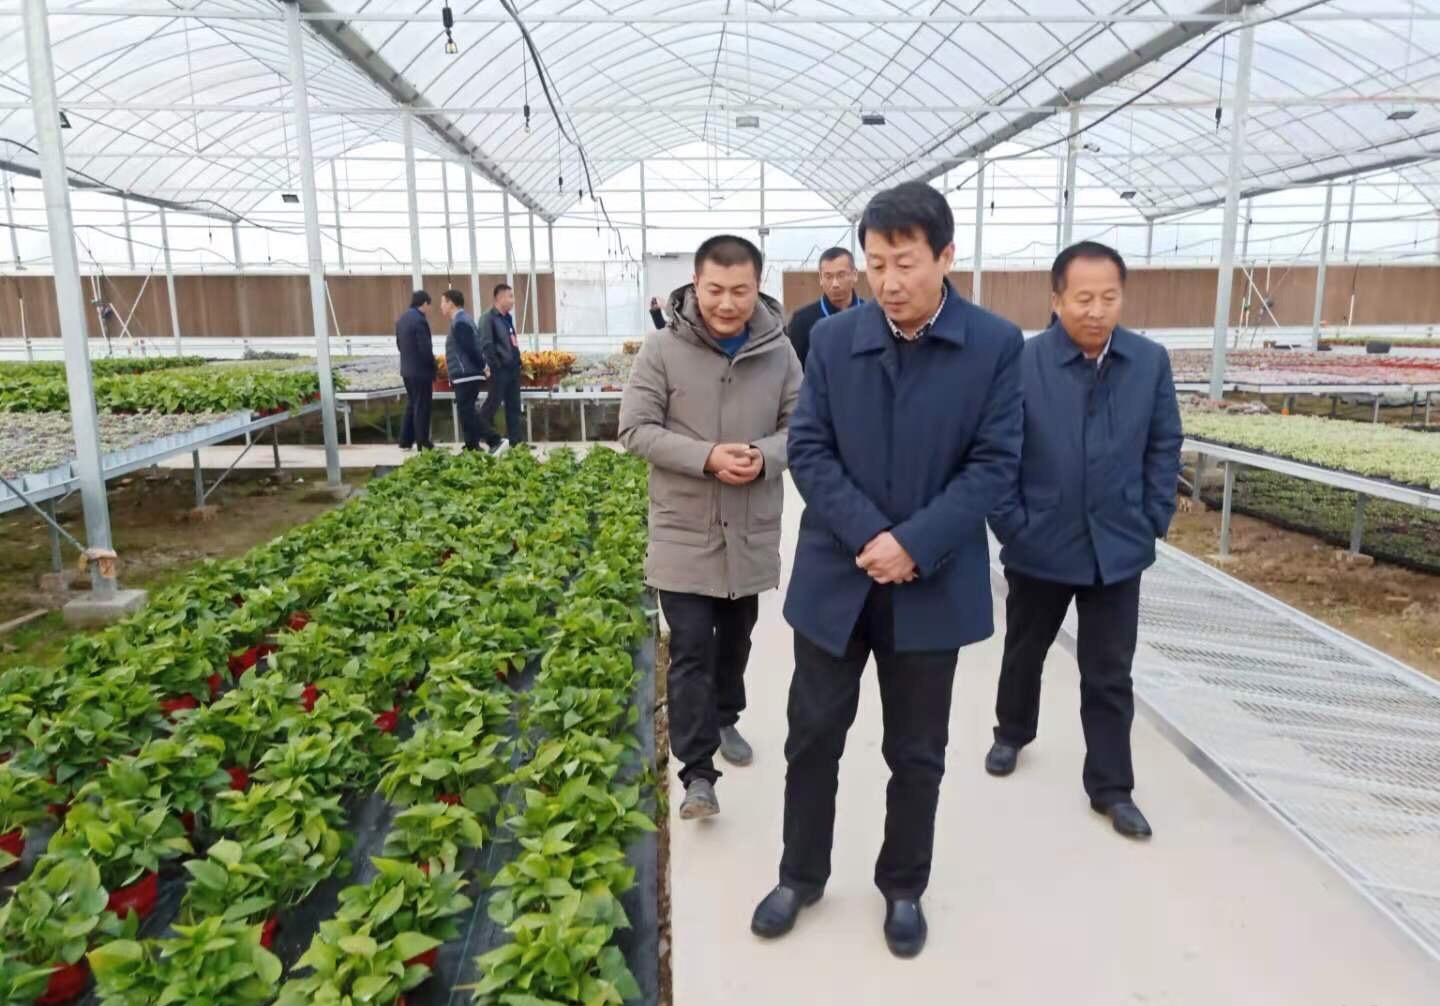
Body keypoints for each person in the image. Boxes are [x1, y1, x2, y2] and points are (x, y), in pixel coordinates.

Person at [751, 181, 1023, 959]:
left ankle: (904, 885)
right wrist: (871, 533)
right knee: (812, 736)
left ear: (946, 256)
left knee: (916, 750)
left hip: (931, 584)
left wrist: (915, 543)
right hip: (838, 579)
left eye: (905, 263)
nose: (889, 281)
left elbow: (994, 463)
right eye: (876, 264)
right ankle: (800, 875)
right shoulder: (836, 341)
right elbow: (810, 449)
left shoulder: (995, 345)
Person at [984, 241, 1183, 840]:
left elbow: (1164, 443)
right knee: (1026, 649)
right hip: (1040, 543)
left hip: (1117, 547)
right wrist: (1013, 524)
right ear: (1057, 299)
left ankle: (1111, 788)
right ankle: (1012, 732)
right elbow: (998, 450)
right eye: (1083, 298)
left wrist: (1152, 516)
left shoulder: (1148, 362)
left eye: (1109, 297)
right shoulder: (1023, 363)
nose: (1096, 310)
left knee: (1110, 671)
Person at [619, 235, 803, 822]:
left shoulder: (780, 353)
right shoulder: (662, 349)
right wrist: (707, 457)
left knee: (737, 637)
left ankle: (726, 716)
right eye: (715, 289)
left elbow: (803, 428)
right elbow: (635, 429)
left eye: (739, 291)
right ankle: (698, 774)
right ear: (695, 285)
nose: (727, 303)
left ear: (758, 287)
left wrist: (763, 455)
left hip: (748, 527)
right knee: (692, 647)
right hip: (684, 530)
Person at [786, 246, 865, 368]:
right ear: (821, 279)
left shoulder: (872, 316)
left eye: (841, 275)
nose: (835, 284)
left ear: (854, 275)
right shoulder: (802, 321)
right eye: (828, 276)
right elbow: (795, 370)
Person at [438, 290, 488, 451]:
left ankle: (492, 438)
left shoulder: (460, 322)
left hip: (466, 374)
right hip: (466, 373)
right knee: (466, 412)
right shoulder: (463, 320)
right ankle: (472, 446)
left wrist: (483, 366)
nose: (441, 306)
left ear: (451, 303)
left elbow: (470, 348)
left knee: (468, 411)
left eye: (443, 302)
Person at [477, 284, 524, 454]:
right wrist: (495, 366)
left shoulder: (507, 318)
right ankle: (482, 439)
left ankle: (516, 443)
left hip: (513, 369)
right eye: (510, 296)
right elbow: (487, 344)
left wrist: (518, 360)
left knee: (514, 406)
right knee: (491, 405)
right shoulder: (488, 318)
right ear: (500, 298)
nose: (513, 300)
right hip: (500, 370)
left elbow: (512, 342)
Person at [395, 290, 436, 451]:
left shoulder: (402, 319)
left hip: (406, 369)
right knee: (422, 406)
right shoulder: (420, 321)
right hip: (421, 371)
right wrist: (433, 365)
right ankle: (423, 442)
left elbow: (399, 344)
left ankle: (405, 440)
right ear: (424, 303)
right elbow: (425, 348)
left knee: (412, 404)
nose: (430, 309)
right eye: (429, 306)